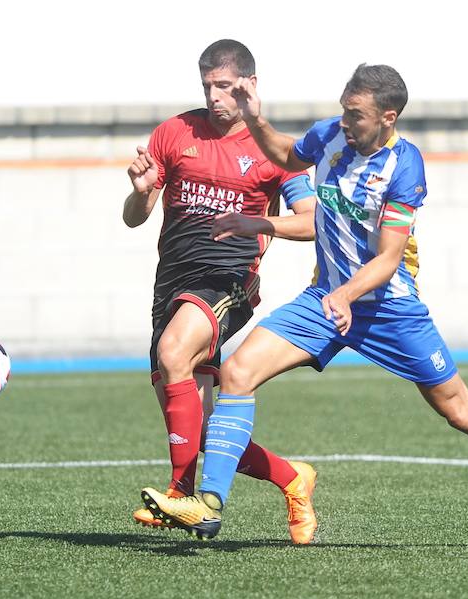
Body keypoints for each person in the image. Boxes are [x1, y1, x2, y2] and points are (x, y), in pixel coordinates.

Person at [141, 63, 468, 550]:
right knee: (236, 373)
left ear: (387, 117)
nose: (345, 122)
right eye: (343, 110)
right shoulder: (330, 134)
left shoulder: (405, 166)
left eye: (355, 115)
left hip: (389, 310)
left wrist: (346, 294)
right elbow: (285, 156)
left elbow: (387, 259)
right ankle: (208, 506)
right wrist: (256, 122)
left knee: (462, 411)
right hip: (323, 300)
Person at [123, 39, 318, 545]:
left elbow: (311, 222)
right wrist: (142, 192)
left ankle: (182, 492)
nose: (214, 97)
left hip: (229, 281)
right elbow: (133, 219)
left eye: (225, 87)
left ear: (249, 86)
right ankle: (292, 479)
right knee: (204, 431)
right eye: (208, 86)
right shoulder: (173, 132)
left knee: (173, 352)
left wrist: (255, 222)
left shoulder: (277, 150)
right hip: (172, 282)